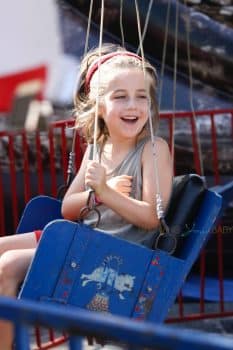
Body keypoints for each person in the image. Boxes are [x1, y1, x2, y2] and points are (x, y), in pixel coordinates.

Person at [0, 43, 173, 349]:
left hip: (110, 253)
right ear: (99, 106)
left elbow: (151, 217)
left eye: (141, 97)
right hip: (82, 237)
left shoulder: (153, 149)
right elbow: (68, 207)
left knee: (7, 265)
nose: (133, 105)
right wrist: (99, 196)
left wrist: (107, 191)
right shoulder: (97, 148)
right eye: (120, 97)